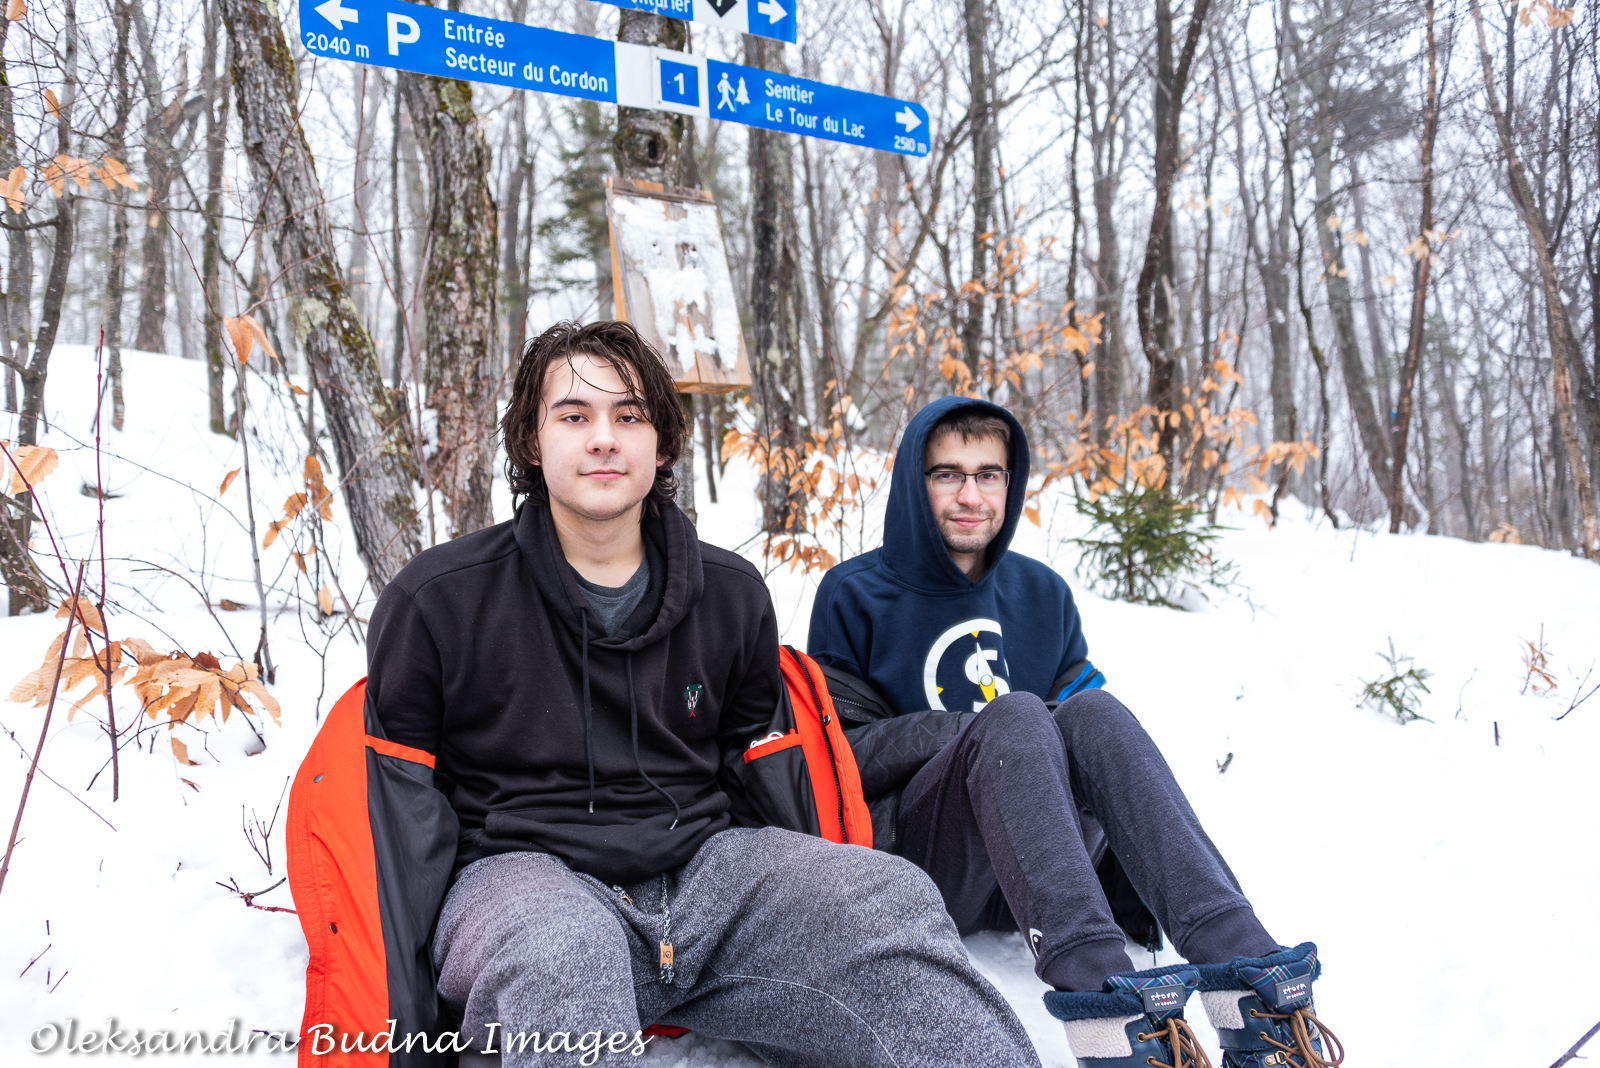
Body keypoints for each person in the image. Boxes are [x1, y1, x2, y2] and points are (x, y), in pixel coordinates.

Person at [365, 323, 1041, 1067]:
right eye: (574, 415)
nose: (603, 439)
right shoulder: (438, 601)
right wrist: (407, 1034)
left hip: (703, 876)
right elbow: (400, 819)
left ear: (662, 445)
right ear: (531, 440)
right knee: (563, 950)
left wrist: (810, 902)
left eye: (629, 416)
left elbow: (758, 777)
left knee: (883, 895)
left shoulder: (731, 594)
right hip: (520, 882)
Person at [806, 396, 1342, 1068]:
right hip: (934, 860)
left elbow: (1090, 745)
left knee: (1095, 712)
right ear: (915, 484)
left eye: (988, 474)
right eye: (947, 474)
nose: (970, 495)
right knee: (1019, 715)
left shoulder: (1043, 593)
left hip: (1052, 868)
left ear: (1011, 483)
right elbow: (840, 758)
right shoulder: (855, 592)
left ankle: (1251, 991)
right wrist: (974, 730)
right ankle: (1110, 1017)